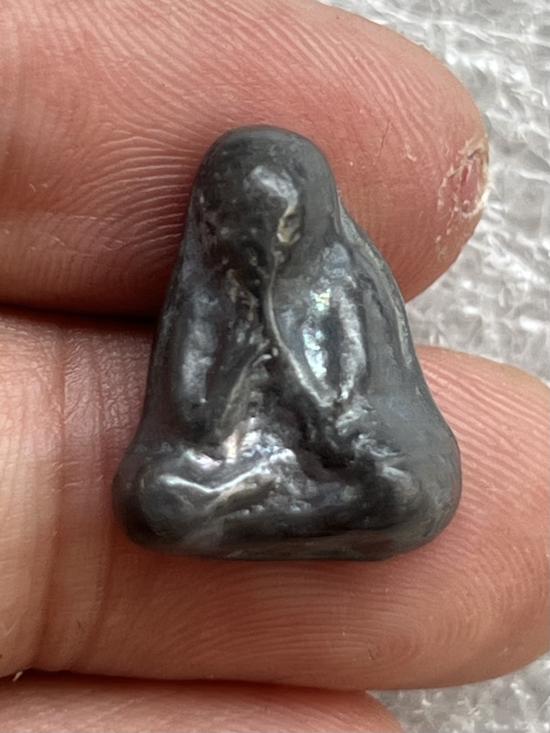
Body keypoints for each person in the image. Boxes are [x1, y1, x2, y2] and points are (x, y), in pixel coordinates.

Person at [0, 1, 547, 731]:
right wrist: (243, 363)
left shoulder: (344, 285)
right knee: (154, 502)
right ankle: (278, 512)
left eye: (283, 230)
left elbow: (373, 403)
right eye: (245, 235)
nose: (265, 250)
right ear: (218, 229)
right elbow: (197, 425)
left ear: (310, 220)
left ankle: (296, 513)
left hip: (336, 455)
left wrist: (328, 415)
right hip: (242, 472)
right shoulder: (207, 303)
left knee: (410, 494)